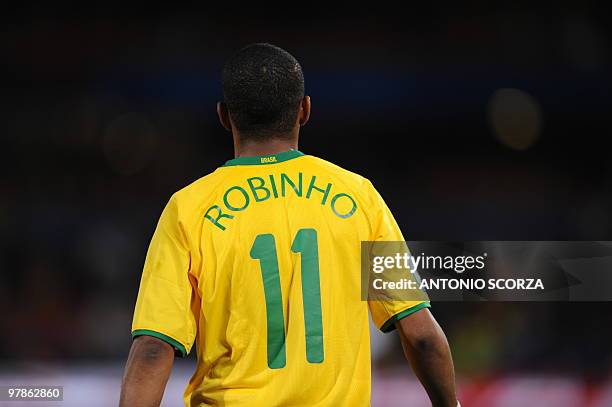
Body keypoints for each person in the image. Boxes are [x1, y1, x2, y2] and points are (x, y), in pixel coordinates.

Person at [120, 43, 458, 407]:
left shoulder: (189, 208)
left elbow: (154, 347)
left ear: (224, 116)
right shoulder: (359, 196)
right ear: (304, 110)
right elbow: (421, 334)